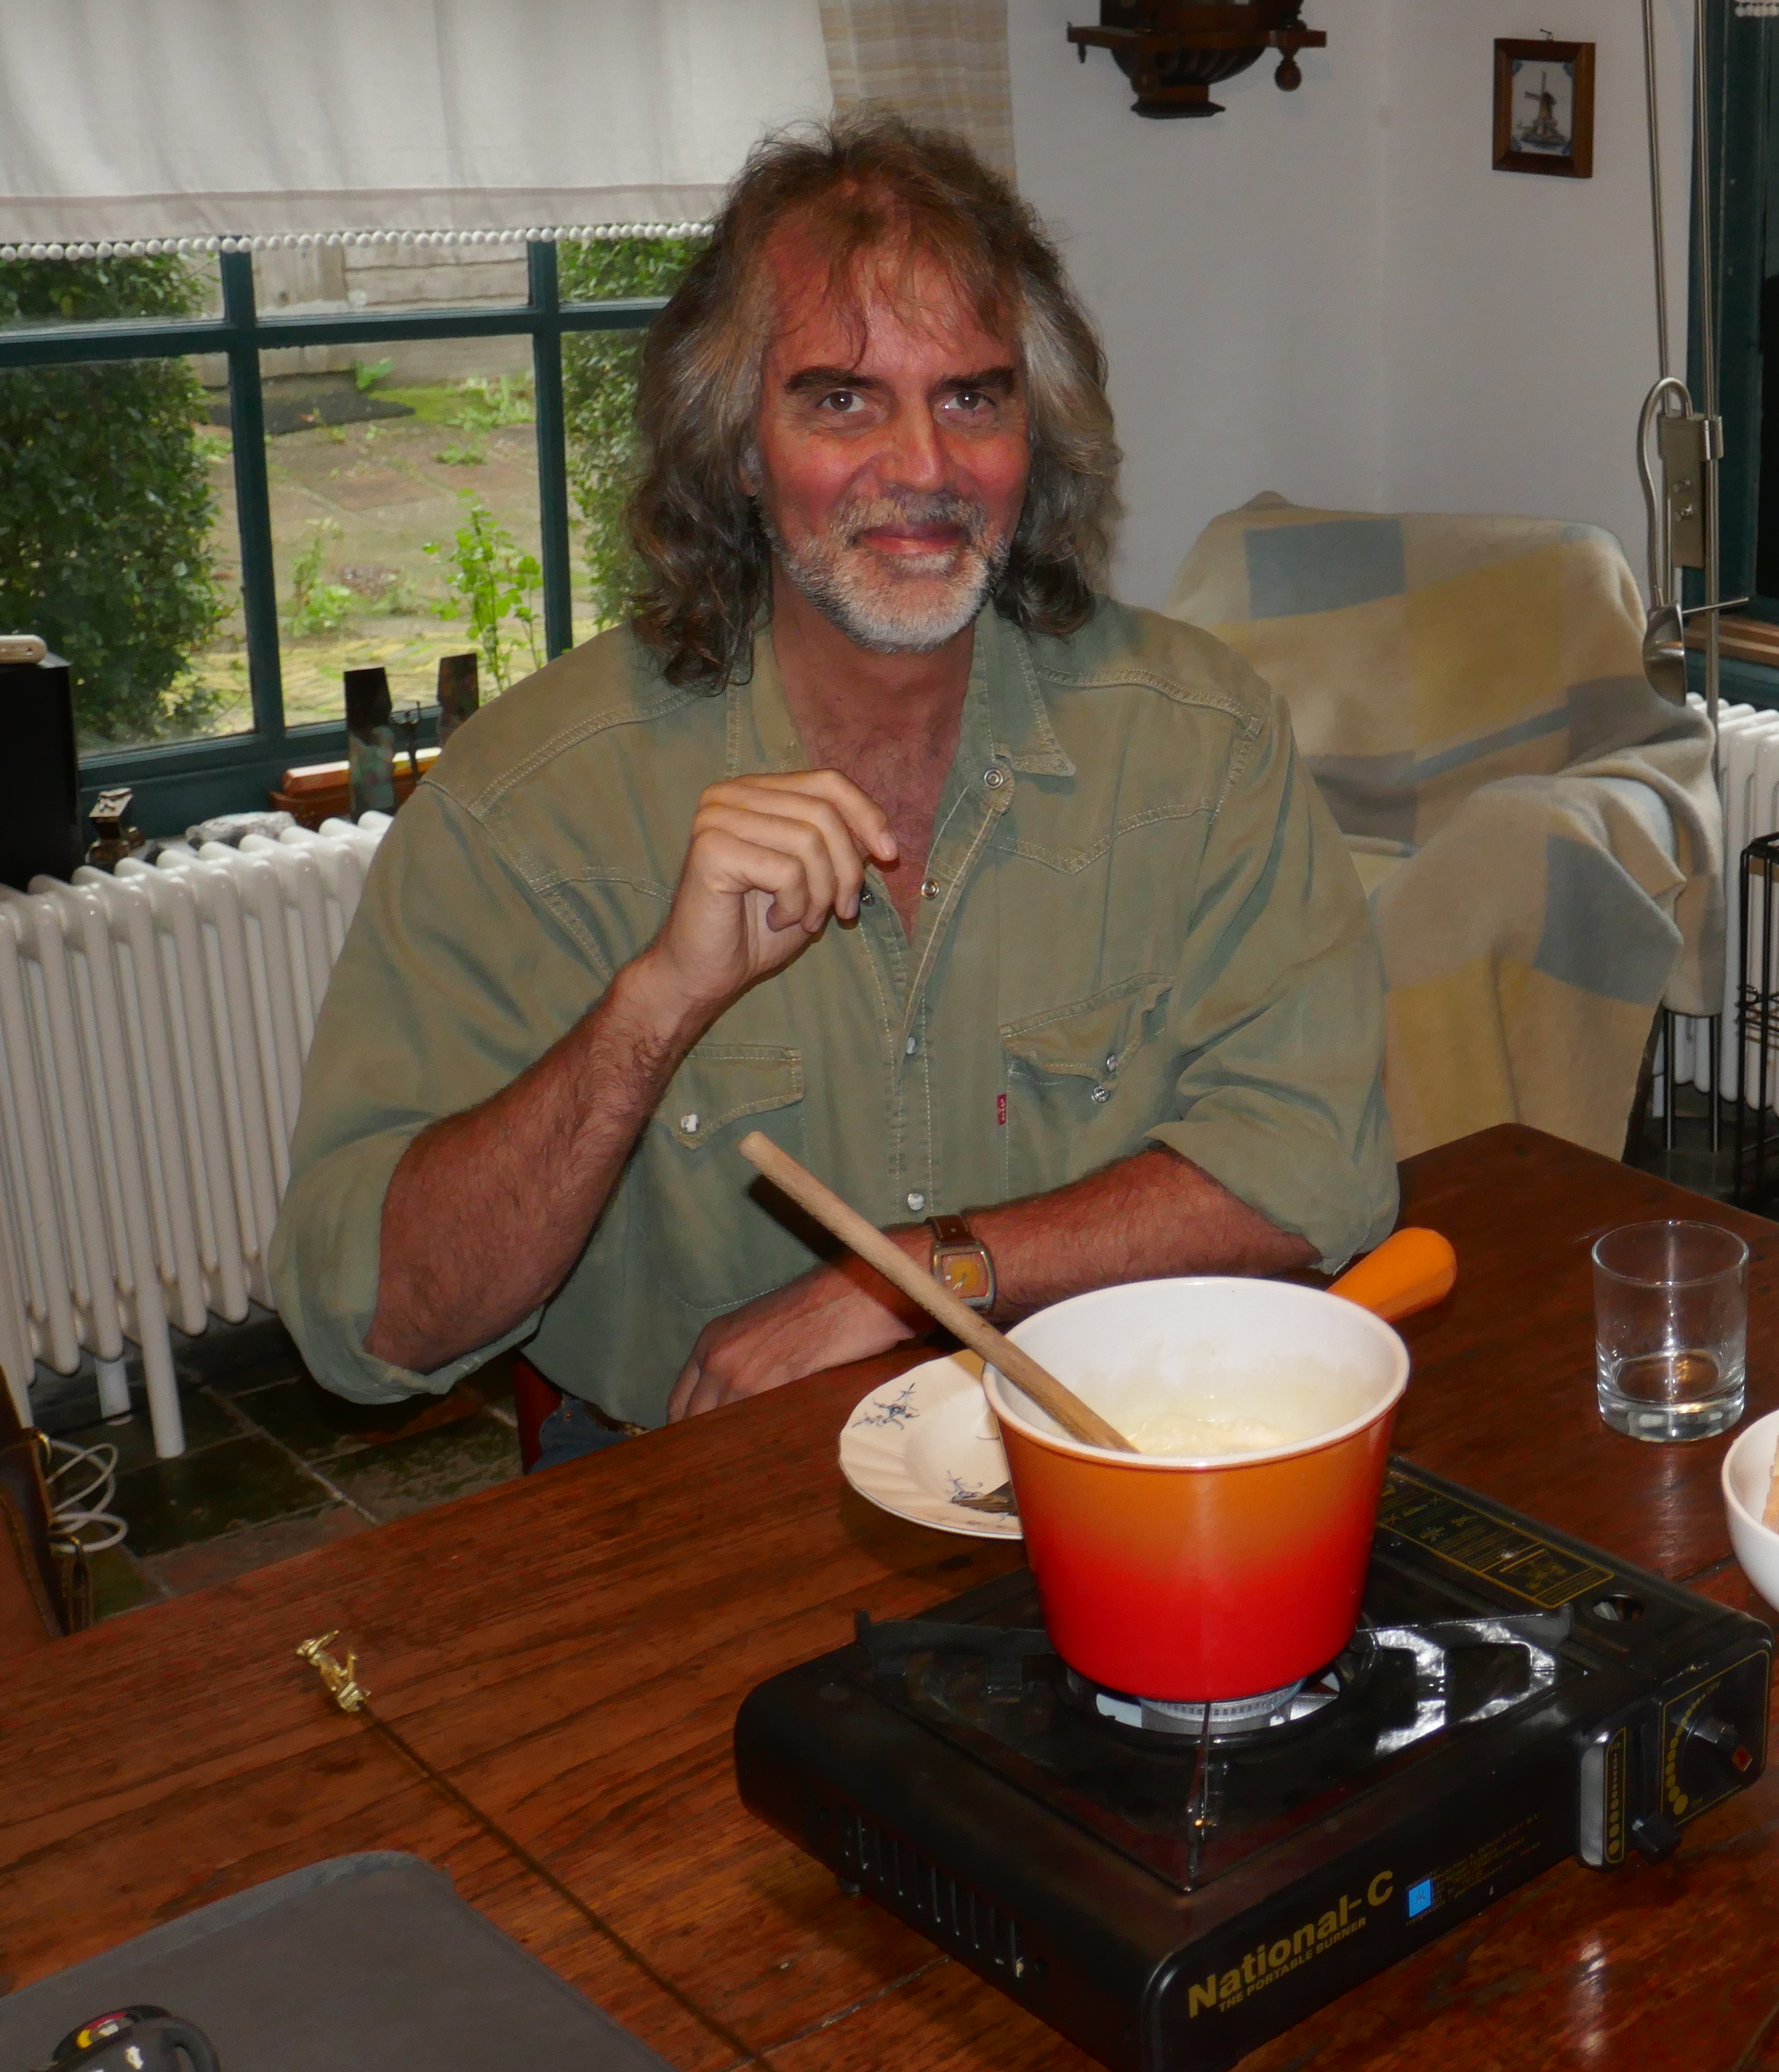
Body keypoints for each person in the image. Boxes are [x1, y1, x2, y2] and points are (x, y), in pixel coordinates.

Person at [269, 116, 1395, 1463]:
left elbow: (1319, 1170)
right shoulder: (529, 802)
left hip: (1096, 1447)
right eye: (843, 400)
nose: (922, 468)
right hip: (693, 1487)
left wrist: (916, 1276)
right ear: (738, 448)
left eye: (971, 398)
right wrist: (654, 1007)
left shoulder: (1198, 739)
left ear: (1035, 435)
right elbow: (369, 1324)